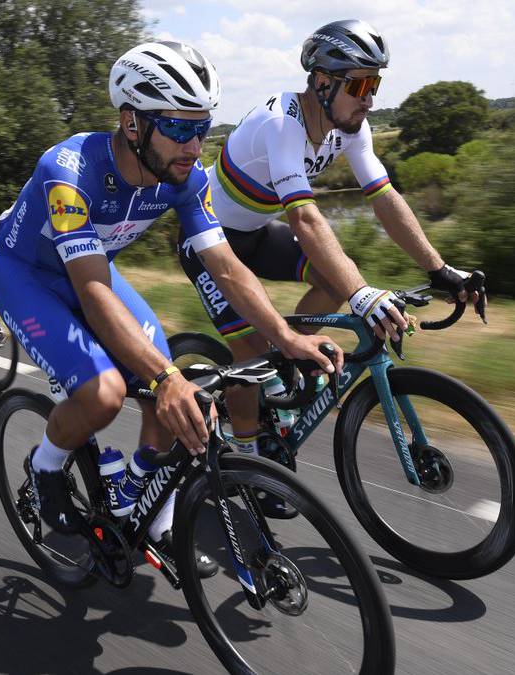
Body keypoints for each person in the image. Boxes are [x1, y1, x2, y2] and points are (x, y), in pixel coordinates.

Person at [0, 41, 341, 574]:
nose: (194, 144)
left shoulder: (185, 177)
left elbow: (227, 268)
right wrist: (163, 378)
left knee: (168, 382)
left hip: (93, 272)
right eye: (178, 128)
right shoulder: (70, 171)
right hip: (30, 278)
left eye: (202, 127)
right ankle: (46, 467)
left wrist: (286, 339)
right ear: (132, 123)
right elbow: (91, 293)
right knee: (109, 392)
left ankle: (143, 499)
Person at [178, 20, 484, 515]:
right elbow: (303, 217)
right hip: (210, 241)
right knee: (251, 351)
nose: (369, 99)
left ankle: (288, 360)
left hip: (253, 234)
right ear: (322, 82)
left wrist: (439, 269)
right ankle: (250, 467)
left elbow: (385, 199)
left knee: (331, 281)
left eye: (375, 85)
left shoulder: (351, 131)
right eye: (360, 84)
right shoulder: (283, 123)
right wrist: (363, 293)